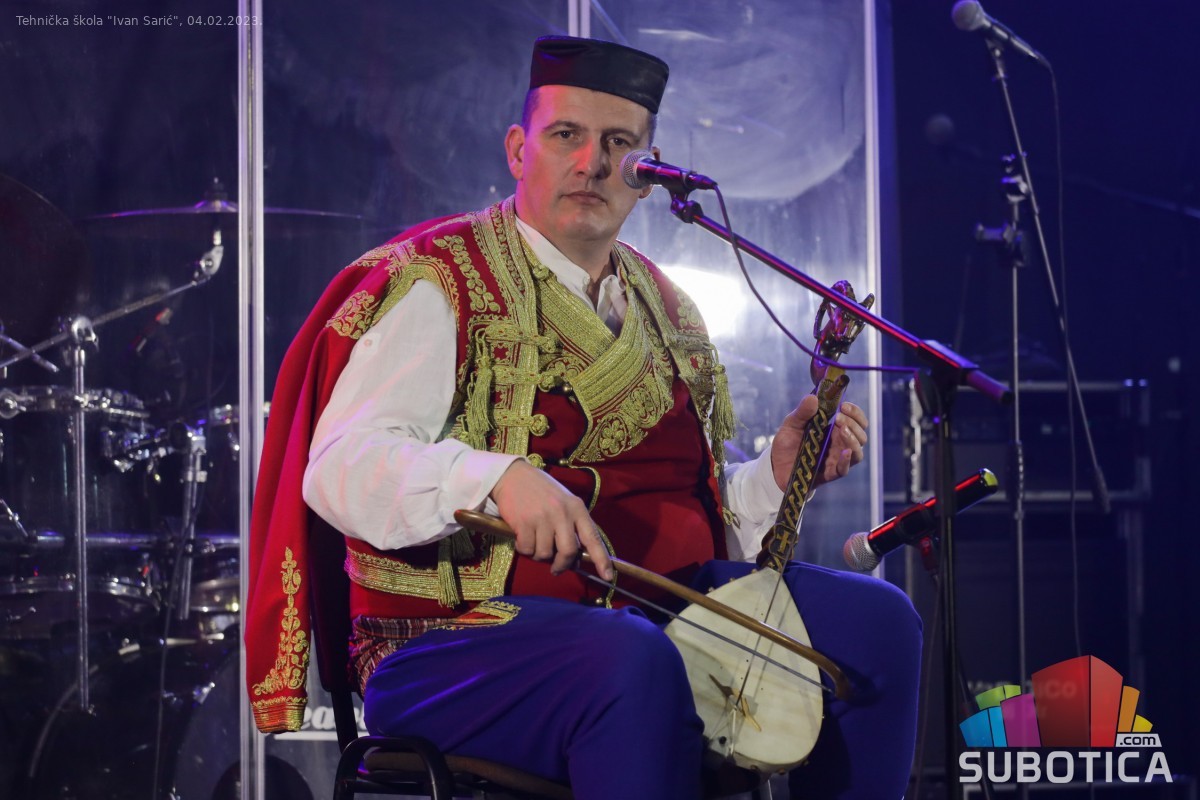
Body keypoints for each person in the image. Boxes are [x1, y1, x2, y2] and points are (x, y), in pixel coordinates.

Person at [246, 35, 921, 799]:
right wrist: (496, 479)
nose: (592, 164)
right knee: (632, 658)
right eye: (566, 135)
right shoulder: (439, 282)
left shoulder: (670, 310)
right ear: (518, 149)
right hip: (451, 646)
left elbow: (692, 517)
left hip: (652, 622)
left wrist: (773, 475)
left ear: (648, 172)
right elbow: (341, 468)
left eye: (619, 144)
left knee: (877, 627)